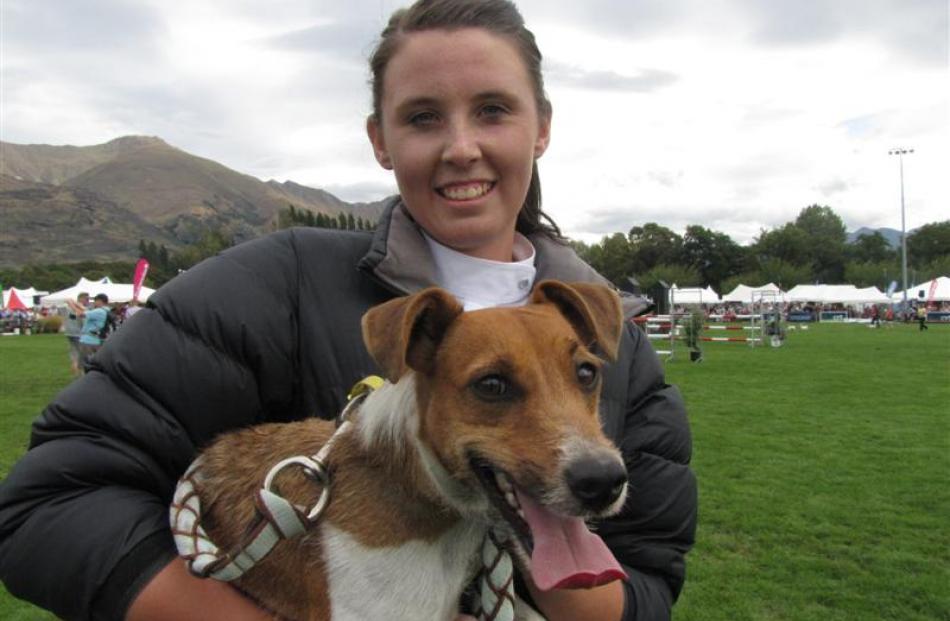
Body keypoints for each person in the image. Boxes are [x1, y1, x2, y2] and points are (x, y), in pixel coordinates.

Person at [0, 2, 696, 620]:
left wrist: (554, 550)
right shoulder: (277, 282)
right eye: (423, 117)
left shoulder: (617, 339)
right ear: (380, 139)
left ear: (541, 127)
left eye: (493, 109)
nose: (461, 147)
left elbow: (651, 580)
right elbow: (48, 506)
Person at [65, 292, 110, 373]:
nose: (93, 302)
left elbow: (81, 314)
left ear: (100, 301)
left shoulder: (99, 311)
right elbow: (85, 310)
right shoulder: (106, 310)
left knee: (84, 364)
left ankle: (85, 380)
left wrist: (71, 304)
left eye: (95, 300)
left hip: (89, 340)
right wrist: (76, 304)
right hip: (99, 339)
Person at [63, 292, 89, 376]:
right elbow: (83, 321)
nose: (87, 301)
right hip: (78, 333)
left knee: (74, 352)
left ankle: (75, 368)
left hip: (69, 332)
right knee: (81, 353)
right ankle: (81, 371)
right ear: (81, 298)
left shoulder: (68, 308)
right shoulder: (80, 309)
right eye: (86, 299)